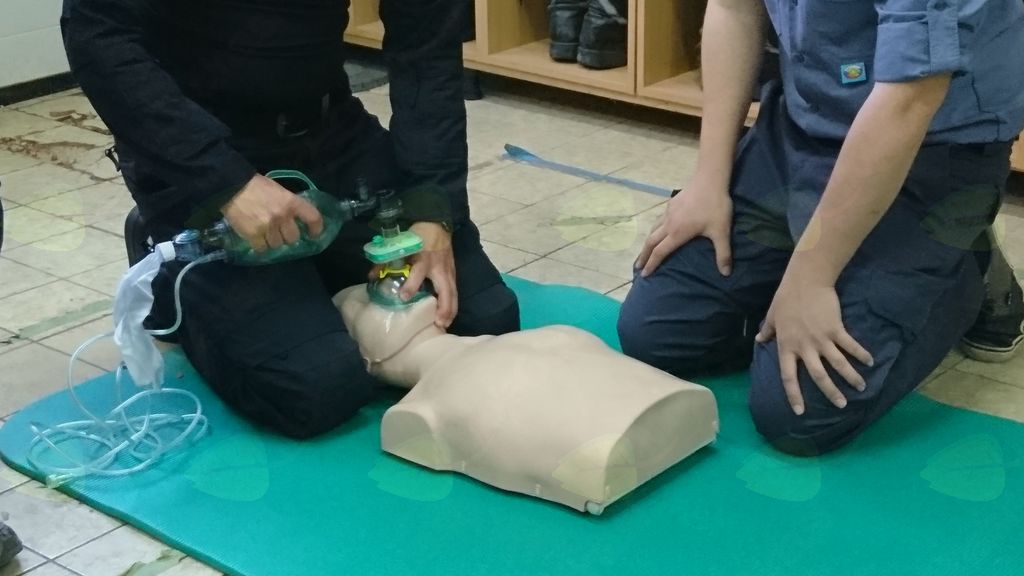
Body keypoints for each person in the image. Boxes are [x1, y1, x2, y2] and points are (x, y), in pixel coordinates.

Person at [60, 0, 520, 439]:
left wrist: (432, 205)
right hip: (202, 156)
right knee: (316, 385)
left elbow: (427, 46)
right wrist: (226, 181)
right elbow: (97, 36)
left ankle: (309, 273)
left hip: (330, 132)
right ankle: (169, 268)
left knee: (487, 318)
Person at [618, 0, 1024, 455]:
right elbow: (732, 9)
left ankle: (968, 263)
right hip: (805, 125)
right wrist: (708, 182)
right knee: (656, 335)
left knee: (799, 415)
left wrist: (812, 277)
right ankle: (819, 263)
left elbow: (909, 100)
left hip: (934, 150)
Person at [333, 284, 718, 514]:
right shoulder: (415, 412)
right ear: (368, 361)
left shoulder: (531, 339)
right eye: (367, 312)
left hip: (650, 414)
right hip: (609, 447)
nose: (397, 304)